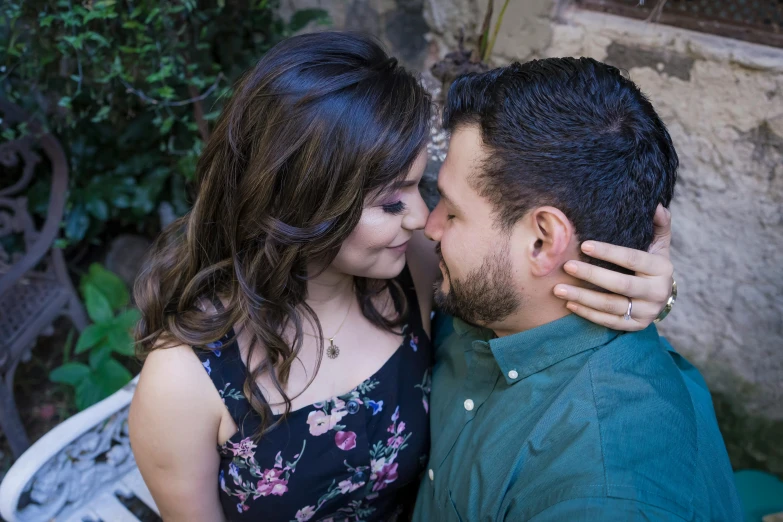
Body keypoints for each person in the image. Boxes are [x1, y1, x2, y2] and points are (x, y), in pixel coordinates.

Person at [128, 33, 676, 522]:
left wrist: (644, 291)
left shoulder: (408, 268)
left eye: (425, 187)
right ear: (303, 204)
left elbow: (530, 286)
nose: (422, 219)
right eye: (392, 201)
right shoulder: (182, 384)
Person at [412, 57, 742, 522]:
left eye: (452, 210)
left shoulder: (601, 492)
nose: (428, 225)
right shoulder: (489, 303)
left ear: (544, 240)